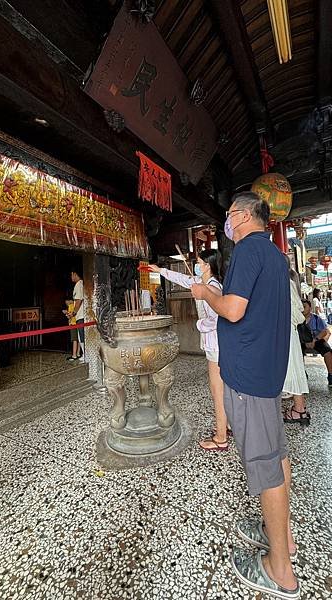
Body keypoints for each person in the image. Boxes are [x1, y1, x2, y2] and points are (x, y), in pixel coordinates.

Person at [191, 192, 299, 599]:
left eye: (228, 215)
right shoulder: (272, 254)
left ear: (242, 215)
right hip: (267, 370)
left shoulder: (247, 251)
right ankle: (281, 536)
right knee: (279, 453)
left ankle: (280, 571)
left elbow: (234, 309)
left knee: (265, 463)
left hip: (251, 377)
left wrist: (205, 294)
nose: (226, 221)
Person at [150, 249, 229, 451]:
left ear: (208, 266)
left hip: (217, 343)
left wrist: (200, 324)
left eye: (200, 262)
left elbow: (218, 317)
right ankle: (226, 424)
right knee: (222, 388)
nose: (197, 265)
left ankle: (221, 437)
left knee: (217, 390)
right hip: (215, 343)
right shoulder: (203, 283)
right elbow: (183, 278)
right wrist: (160, 270)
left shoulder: (213, 288)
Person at [282, 257, 310, 425]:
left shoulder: (284, 282)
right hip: (288, 333)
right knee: (294, 369)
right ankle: (299, 409)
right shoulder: (289, 281)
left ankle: (299, 410)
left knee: (292, 369)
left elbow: (296, 314)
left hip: (287, 333)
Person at [302, 299, 332, 386]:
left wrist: (315, 340)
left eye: (305, 307)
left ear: (310, 308)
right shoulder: (298, 319)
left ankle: (330, 374)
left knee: (327, 350)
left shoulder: (316, 318)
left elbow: (324, 331)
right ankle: (302, 373)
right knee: (296, 351)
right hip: (302, 341)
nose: (302, 309)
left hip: (317, 340)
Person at [66, 270, 84, 361]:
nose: (71, 277)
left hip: (80, 316)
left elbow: (78, 301)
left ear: (74, 274)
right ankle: (83, 355)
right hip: (79, 316)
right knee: (80, 336)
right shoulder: (81, 284)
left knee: (81, 337)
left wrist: (73, 313)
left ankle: (85, 355)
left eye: (71, 274)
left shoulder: (78, 284)